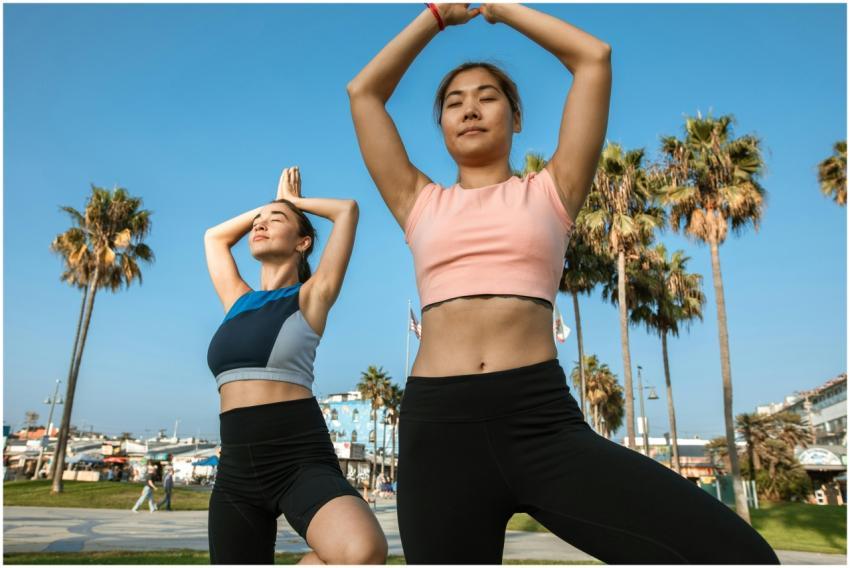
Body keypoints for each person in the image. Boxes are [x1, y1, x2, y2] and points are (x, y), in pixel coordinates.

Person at [348, 3, 780, 564]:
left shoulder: (552, 190)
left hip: (537, 418)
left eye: (487, 96)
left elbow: (593, 58)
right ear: (442, 126)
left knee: (736, 554)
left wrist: (502, 9)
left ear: (516, 117)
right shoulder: (418, 201)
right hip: (439, 429)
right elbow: (364, 94)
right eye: (453, 102)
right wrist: (435, 17)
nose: (470, 109)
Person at [205, 167, 387, 564]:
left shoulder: (311, 295)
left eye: (275, 221)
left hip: (297, 456)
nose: (261, 224)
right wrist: (271, 206)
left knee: (362, 551)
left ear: (303, 242)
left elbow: (347, 211)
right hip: (236, 469)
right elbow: (214, 237)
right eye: (257, 221)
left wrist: (293, 203)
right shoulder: (236, 299)